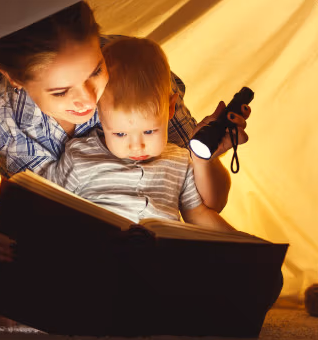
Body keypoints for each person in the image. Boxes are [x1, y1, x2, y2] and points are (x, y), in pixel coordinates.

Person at [0, 1, 248, 273]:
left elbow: (199, 202)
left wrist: (206, 153)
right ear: (15, 79)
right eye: (60, 92)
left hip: (137, 247)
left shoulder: (135, 68)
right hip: (44, 250)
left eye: (95, 72)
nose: (88, 100)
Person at [38, 37, 237, 232]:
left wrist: (247, 243)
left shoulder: (180, 161)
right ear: (99, 114)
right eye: (120, 134)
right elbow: (45, 206)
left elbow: (198, 213)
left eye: (149, 131)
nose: (136, 146)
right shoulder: (79, 156)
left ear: (170, 109)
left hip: (160, 250)